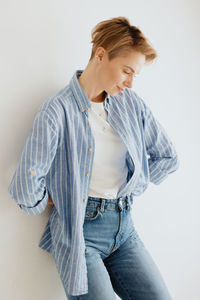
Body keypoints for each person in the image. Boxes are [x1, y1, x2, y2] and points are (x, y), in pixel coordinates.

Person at [8, 16, 179, 299]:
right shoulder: (56, 111)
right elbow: (25, 189)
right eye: (126, 71)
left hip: (126, 230)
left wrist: (134, 185)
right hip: (80, 236)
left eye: (135, 74)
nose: (130, 83)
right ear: (101, 54)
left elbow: (167, 156)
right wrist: (61, 196)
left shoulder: (130, 104)